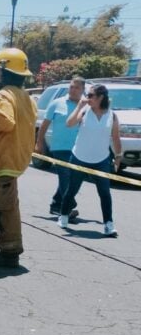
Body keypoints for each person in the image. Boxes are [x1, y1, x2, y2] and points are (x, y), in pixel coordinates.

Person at [0, 47, 37, 269]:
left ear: (4, 71)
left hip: (4, 160)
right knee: (7, 207)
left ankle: (9, 252)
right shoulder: (26, 97)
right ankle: (10, 249)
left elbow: (5, 122)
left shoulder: (4, 95)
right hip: (15, 159)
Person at [58, 83, 121, 236]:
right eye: (87, 95)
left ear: (101, 98)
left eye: (91, 95)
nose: (88, 98)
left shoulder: (111, 115)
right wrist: (79, 107)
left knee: (105, 193)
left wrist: (118, 156)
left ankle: (108, 224)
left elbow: (115, 137)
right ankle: (64, 215)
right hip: (79, 157)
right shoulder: (85, 111)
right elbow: (69, 124)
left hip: (101, 160)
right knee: (72, 189)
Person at [36, 76, 83, 217]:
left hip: (77, 148)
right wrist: (40, 142)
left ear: (82, 89)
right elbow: (43, 126)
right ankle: (69, 206)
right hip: (59, 147)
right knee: (65, 175)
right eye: (71, 87)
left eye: (77, 87)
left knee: (70, 176)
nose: (73, 90)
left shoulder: (85, 105)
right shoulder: (56, 103)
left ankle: (56, 204)